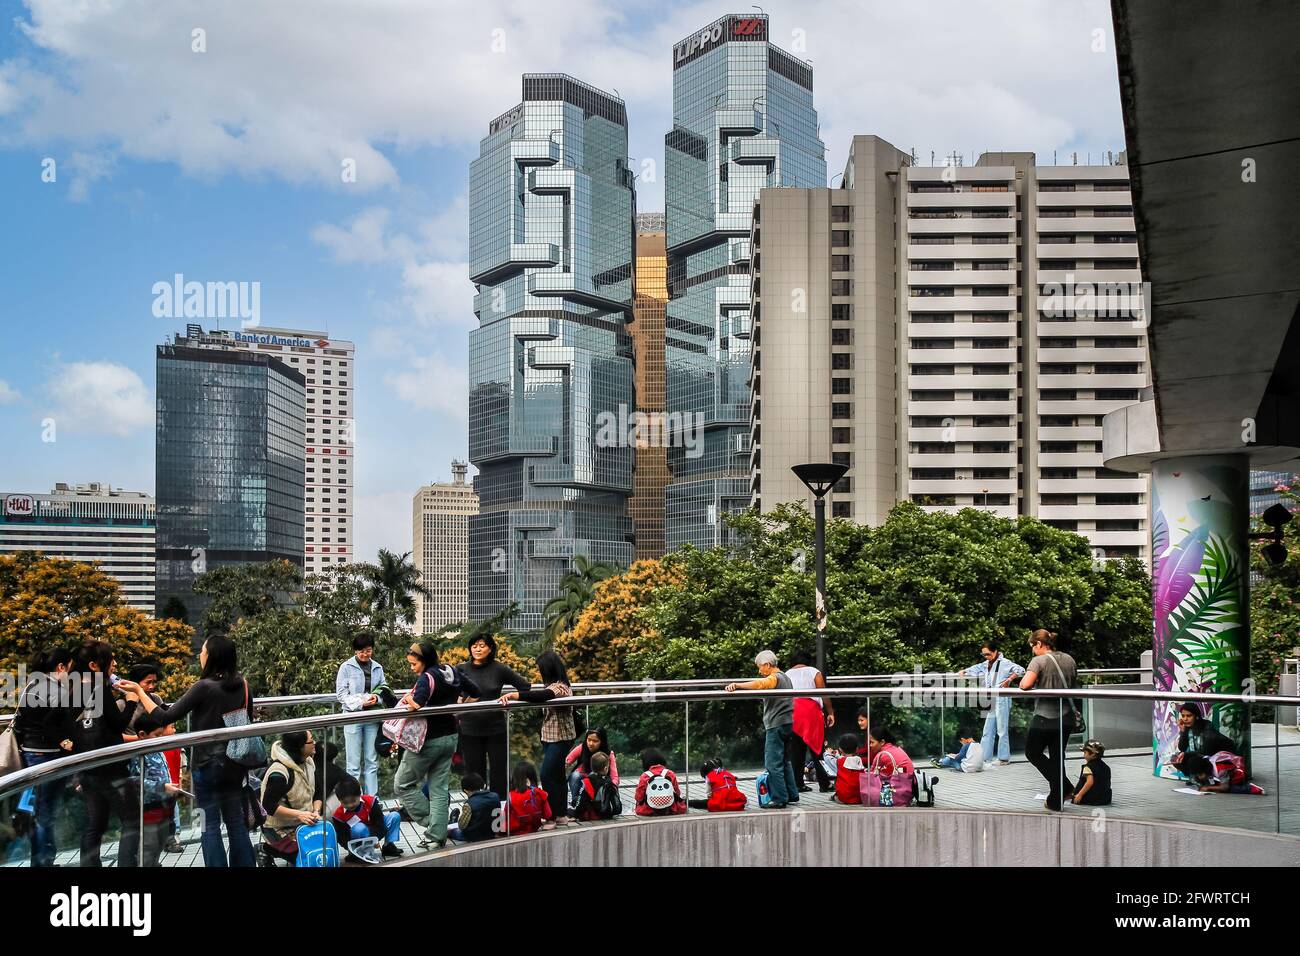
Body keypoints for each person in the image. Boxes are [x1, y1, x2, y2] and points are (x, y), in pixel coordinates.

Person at [129, 632, 258, 867]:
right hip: (235, 764)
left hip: (207, 767)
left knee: (209, 827)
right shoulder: (243, 685)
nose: (200, 654)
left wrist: (139, 693)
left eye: (203, 651)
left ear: (212, 657)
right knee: (236, 823)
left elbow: (165, 716)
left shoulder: (204, 687)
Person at [393, 641, 478, 850]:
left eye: (414, 664)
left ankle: (434, 826)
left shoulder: (426, 678)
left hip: (427, 740)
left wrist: (408, 699)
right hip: (450, 736)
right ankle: (436, 835)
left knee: (402, 784)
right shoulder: (451, 671)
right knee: (438, 788)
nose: (412, 668)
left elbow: (418, 704)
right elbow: (475, 692)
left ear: (424, 661)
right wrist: (457, 709)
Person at [70, 641, 140, 867]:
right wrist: (131, 702)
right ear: (93, 665)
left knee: (95, 823)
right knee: (131, 819)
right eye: (111, 659)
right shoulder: (99, 687)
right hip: (111, 766)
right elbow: (118, 724)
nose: (115, 664)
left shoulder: (73, 689)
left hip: (86, 767)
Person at [14, 647, 77, 867]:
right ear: (60, 667)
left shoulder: (30, 686)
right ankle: (43, 862)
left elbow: (21, 723)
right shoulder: (56, 691)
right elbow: (56, 724)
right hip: (48, 756)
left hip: (30, 754)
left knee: (38, 811)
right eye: (70, 669)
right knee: (45, 813)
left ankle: (42, 860)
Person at [498, 650, 575, 826]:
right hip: (550, 737)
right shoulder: (551, 686)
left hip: (561, 738)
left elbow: (542, 697)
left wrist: (515, 695)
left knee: (546, 774)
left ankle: (550, 816)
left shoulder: (560, 687)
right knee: (557, 775)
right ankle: (560, 815)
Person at [455, 634, 529, 800]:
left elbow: (525, 686)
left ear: (490, 648)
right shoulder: (461, 669)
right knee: (474, 774)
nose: (478, 649)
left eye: (482, 645)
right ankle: (477, 810)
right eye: (474, 646)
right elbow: (452, 692)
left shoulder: (499, 669)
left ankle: (500, 811)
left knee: (499, 772)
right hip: (469, 729)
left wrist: (510, 696)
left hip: (495, 729)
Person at [725, 650, 800, 810]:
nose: (760, 671)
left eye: (760, 667)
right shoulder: (786, 677)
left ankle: (779, 798)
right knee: (784, 761)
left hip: (776, 724)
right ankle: (792, 794)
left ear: (767, 664)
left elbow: (761, 684)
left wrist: (738, 685)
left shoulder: (775, 678)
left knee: (773, 763)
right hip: (787, 723)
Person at [1018, 628, 1078, 811]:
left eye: (1032, 646)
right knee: (1057, 756)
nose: (1032, 650)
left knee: (1032, 752)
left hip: (1045, 716)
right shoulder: (1069, 659)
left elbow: (1024, 684)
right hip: (1067, 716)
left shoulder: (1039, 661)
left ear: (1039, 644)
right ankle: (1055, 800)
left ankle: (1064, 787)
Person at [128, 710, 184, 866]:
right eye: (157, 735)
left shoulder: (158, 750)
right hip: (148, 808)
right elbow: (134, 781)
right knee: (149, 844)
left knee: (160, 841)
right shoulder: (138, 754)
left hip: (164, 805)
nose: (160, 738)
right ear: (142, 734)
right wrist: (162, 786)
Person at [260, 731, 325, 862]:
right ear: (300, 746)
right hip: (277, 827)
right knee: (305, 857)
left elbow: (318, 792)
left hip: (303, 821)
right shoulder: (279, 773)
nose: (314, 744)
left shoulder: (308, 762)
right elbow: (268, 806)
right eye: (311, 741)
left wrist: (316, 811)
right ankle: (266, 848)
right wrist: (300, 815)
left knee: (323, 848)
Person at [960, 640, 1025, 767]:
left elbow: (1021, 670)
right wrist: (964, 671)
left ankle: (1004, 758)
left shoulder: (1005, 663)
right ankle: (984, 757)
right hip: (991, 698)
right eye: (984, 655)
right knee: (988, 729)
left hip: (1002, 698)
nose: (986, 657)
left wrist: (1009, 680)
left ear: (995, 652)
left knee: (1002, 729)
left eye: (988, 654)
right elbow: (975, 668)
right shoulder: (986, 664)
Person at [336, 632, 385, 796]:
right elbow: (341, 695)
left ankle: (372, 799)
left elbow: (384, 689)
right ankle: (355, 799)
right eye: (361, 651)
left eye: (368, 650)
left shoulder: (377, 667)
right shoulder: (346, 667)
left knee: (372, 760)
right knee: (353, 763)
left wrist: (376, 698)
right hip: (353, 717)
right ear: (355, 651)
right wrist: (360, 703)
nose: (365, 654)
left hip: (371, 717)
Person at [786, 652, 834, 793]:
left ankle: (798, 784)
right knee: (817, 749)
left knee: (796, 751)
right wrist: (830, 712)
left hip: (793, 711)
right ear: (807, 661)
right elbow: (824, 694)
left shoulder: (786, 674)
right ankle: (824, 783)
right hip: (811, 712)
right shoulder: (814, 672)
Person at [332, 776, 404, 859]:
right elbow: (342, 838)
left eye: (353, 801)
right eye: (345, 803)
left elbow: (379, 824)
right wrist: (350, 849)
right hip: (355, 839)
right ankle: (356, 853)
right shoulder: (338, 816)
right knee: (359, 828)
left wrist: (374, 839)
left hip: (373, 830)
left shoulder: (371, 802)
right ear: (339, 800)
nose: (350, 805)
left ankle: (388, 846)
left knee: (395, 816)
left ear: (359, 795)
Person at [567, 727, 619, 810]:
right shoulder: (582, 747)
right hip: (584, 781)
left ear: (601, 742)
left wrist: (611, 787)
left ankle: (601, 806)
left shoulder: (609, 754)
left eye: (595, 741)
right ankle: (576, 804)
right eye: (589, 739)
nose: (590, 743)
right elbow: (567, 761)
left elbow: (614, 777)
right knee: (575, 776)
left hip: (600, 783)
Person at [1174, 751, 1266, 795]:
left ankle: (1251, 788)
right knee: (1204, 782)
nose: (1199, 776)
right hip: (1215, 776)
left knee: (1230, 789)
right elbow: (1196, 756)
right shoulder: (1205, 762)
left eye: (1200, 774)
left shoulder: (1221, 770)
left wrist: (1208, 788)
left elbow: (1225, 787)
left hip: (1235, 778)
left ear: (1204, 770)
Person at [634, 748, 686, 817]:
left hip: (648, 810)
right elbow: (677, 793)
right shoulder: (670, 773)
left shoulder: (645, 776)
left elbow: (639, 797)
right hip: (670, 809)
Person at [572, 751, 621, 821]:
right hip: (606, 814)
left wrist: (576, 814)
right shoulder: (609, 783)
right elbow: (616, 803)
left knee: (574, 800)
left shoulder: (587, 781)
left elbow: (581, 800)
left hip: (592, 815)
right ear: (605, 768)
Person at [506, 761, 553, 835]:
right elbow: (548, 815)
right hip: (535, 832)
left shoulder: (511, 796)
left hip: (515, 835)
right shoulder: (540, 793)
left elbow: (505, 820)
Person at [454, 773, 502, 842]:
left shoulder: (469, 804)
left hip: (474, 836)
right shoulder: (495, 796)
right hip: (491, 834)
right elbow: (499, 817)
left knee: (453, 831)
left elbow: (462, 826)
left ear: (465, 790)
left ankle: (452, 821)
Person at [1071, 739, 1112, 806]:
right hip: (1105, 799)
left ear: (1093, 754)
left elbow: (1090, 782)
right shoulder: (1106, 767)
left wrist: (1079, 795)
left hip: (1092, 799)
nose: (1083, 755)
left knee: (1075, 795)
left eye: (1085, 753)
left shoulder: (1088, 767)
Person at [833, 733, 867, 804]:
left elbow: (841, 758)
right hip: (859, 798)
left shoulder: (840, 761)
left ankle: (834, 796)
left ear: (840, 750)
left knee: (835, 793)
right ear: (857, 749)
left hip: (844, 798)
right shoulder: (859, 760)